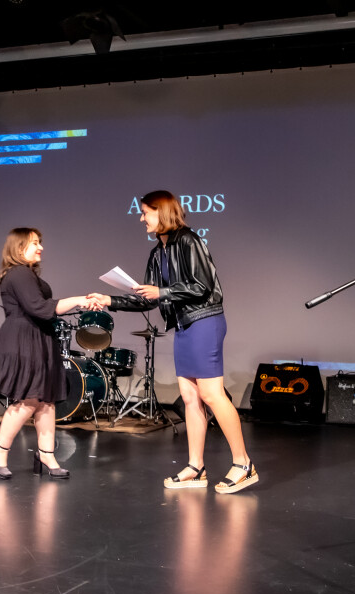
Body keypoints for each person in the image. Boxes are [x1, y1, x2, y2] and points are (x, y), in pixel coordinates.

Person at [88, 190, 258, 494]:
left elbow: (202, 285)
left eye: (145, 213)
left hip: (204, 321)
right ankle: (196, 467)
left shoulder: (189, 240)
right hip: (183, 325)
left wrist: (163, 292)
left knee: (211, 394)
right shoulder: (158, 253)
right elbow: (147, 299)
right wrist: (109, 300)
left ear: (162, 211)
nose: (142, 219)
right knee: (190, 397)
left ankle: (244, 464)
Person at [0, 227, 98, 480]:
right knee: (30, 398)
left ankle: (46, 454)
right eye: (35, 243)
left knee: (46, 399)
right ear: (19, 247)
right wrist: (78, 299)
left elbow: (42, 308)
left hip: (38, 337)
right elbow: (39, 307)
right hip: (23, 339)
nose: (41, 247)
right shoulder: (19, 273)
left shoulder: (27, 274)